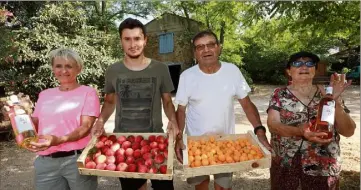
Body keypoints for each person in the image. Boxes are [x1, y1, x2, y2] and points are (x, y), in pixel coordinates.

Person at [174, 30, 272, 190]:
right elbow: (181, 110)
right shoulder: (187, 76)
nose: (206, 50)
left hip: (226, 142)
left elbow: (247, 104)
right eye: (200, 47)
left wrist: (260, 131)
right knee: (201, 185)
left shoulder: (232, 71)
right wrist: (179, 138)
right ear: (195, 53)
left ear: (219, 48)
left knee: (223, 187)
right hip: (196, 144)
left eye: (210, 45)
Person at [91, 18, 178, 190]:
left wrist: (173, 120)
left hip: (156, 140)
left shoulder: (160, 68)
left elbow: (167, 101)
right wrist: (100, 120)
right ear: (121, 41)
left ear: (145, 40)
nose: (133, 44)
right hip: (124, 143)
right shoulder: (113, 70)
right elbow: (109, 101)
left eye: (137, 38)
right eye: (127, 39)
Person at [267, 51, 356, 190]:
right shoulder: (279, 94)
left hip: (323, 165)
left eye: (309, 63)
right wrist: (300, 131)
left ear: (314, 70)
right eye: (297, 63)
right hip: (286, 163)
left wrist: (335, 102)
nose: (304, 67)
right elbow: (273, 124)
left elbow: (349, 131)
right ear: (289, 71)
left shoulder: (328, 93)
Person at [26, 48, 100, 190]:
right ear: (53, 68)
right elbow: (34, 123)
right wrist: (17, 117)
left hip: (76, 159)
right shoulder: (45, 94)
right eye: (58, 66)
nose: (63, 71)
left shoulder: (88, 93)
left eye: (69, 66)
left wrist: (58, 140)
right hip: (46, 162)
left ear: (79, 69)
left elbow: (85, 128)